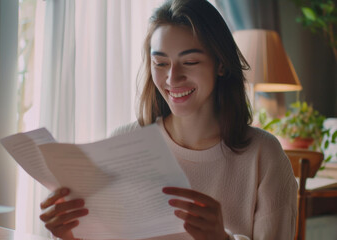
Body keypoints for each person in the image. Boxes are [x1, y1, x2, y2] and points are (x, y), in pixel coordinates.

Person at [39, 0, 298, 239]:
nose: (173, 78)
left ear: (220, 64)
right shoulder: (124, 142)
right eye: (161, 63)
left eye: (190, 61)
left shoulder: (264, 155)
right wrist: (69, 233)